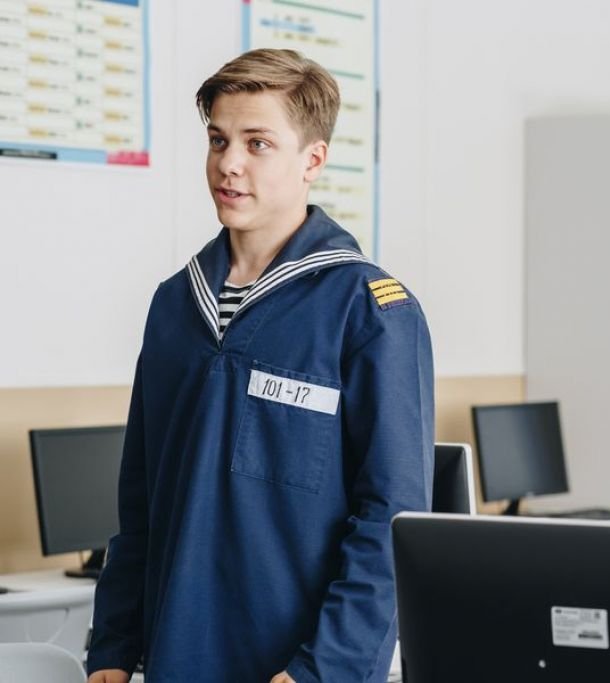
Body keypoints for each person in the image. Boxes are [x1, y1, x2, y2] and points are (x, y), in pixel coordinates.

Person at [86, 48, 434, 683]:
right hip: (176, 657)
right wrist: (112, 645)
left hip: (293, 666)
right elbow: (140, 498)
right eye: (218, 140)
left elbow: (391, 518)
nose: (230, 163)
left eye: (258, 143)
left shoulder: (370, 310)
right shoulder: (174, 304)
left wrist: (323, 669)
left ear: (313, 160)